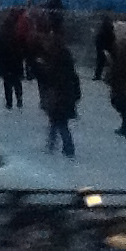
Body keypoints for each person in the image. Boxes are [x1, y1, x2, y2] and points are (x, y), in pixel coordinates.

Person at [34, 28, 81, 158]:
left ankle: (67, 148)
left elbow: (52, 78)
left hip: (59, 97)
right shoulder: (66, 62)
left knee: (60, 123)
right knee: (56, 122)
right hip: (64, 96)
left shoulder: (57, 62)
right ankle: (52, 144)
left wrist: (42, 68)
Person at [106, 21, 126, 137]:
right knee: (122, 102)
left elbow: (120, 66)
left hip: (124, 80)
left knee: (119, 102)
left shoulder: (124, 46)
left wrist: (111, 74)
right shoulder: (124, 45)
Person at [0, 10, 26, 109]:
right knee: (17, 82)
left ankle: (9, 102)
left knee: (7, 83)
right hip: (16, 61)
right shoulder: (17, 34)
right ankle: (19, 100)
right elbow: (23, 46)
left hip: (5, 62)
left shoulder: (2, 34)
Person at [94, 15, 115, 81]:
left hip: (103, 47)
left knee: (100, 63)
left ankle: (99, 76)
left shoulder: (103, 29)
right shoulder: (110, 29)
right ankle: (108, 76)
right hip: (108, 47)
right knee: (109, 63)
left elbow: (98, 38)